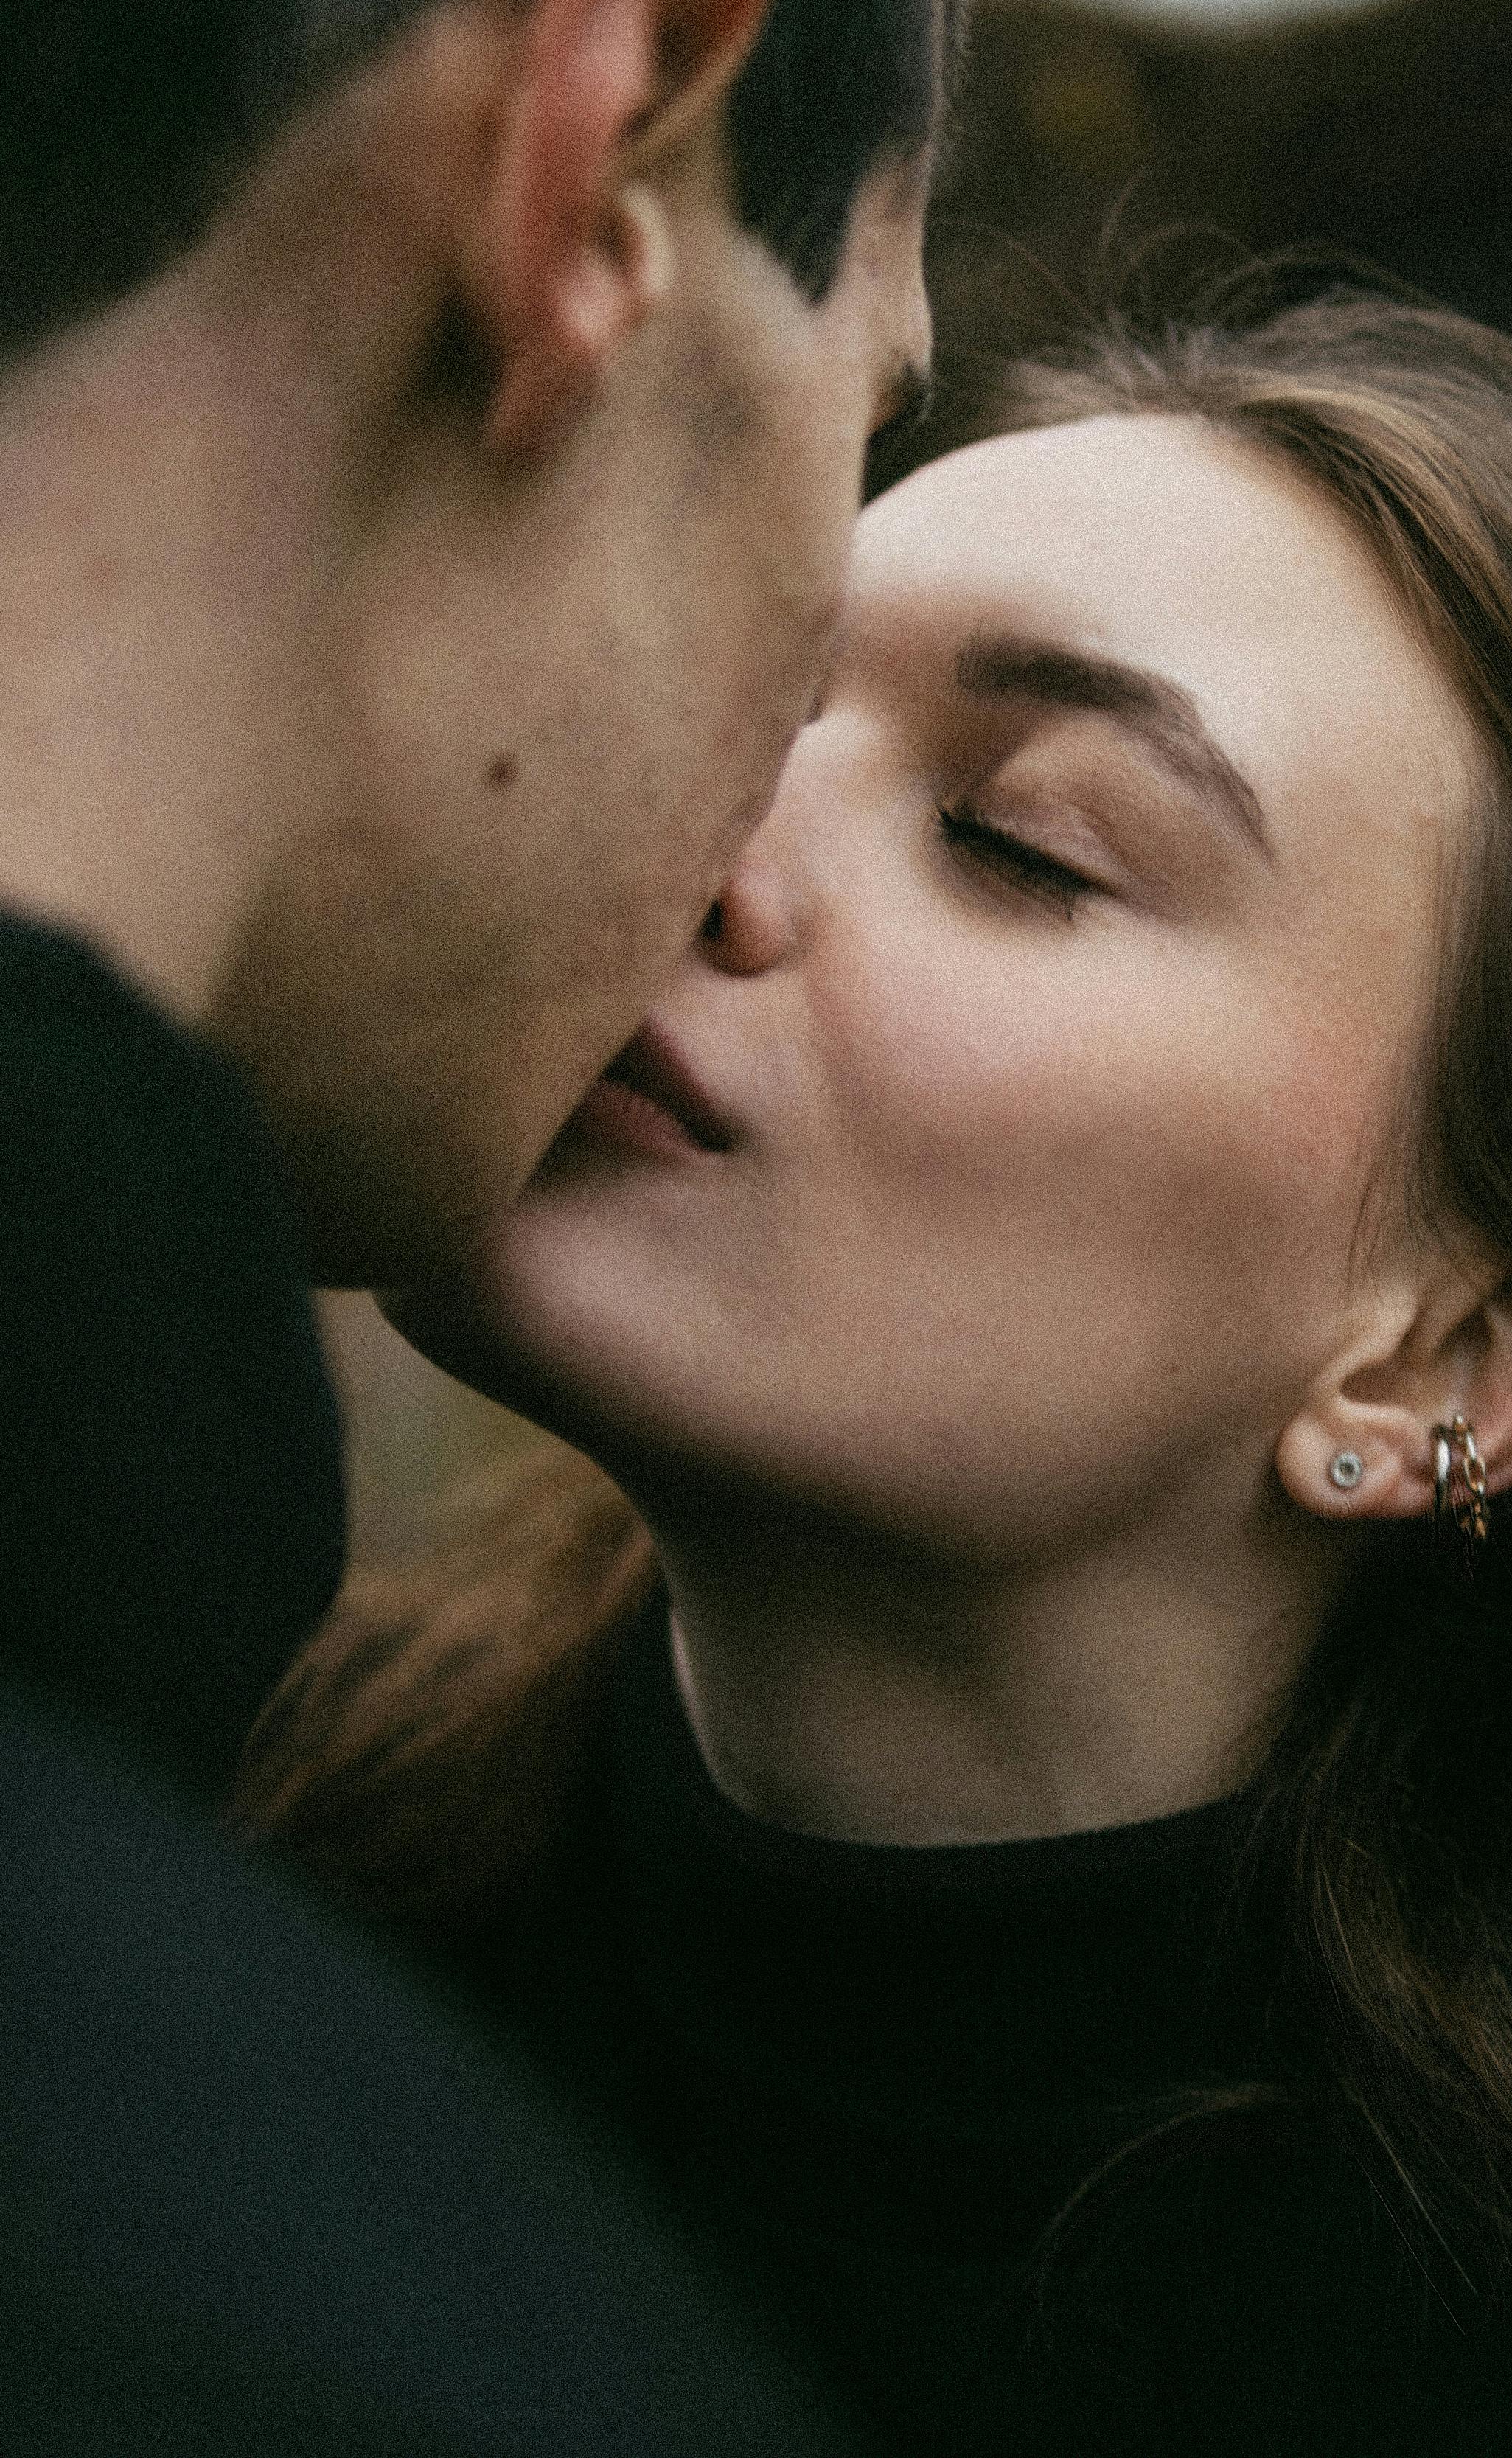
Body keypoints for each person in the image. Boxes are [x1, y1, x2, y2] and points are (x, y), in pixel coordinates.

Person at [239, 290, 1512, 2457]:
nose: (692, 839)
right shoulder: (192, 1911)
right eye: (742, 700)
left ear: (1424, 1359)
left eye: (1018, 839)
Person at [1, 1, 960, 2447]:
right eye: (864, 434)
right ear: (589, 162)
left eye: (1025, 844)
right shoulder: (295, 2314)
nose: (756, 847)